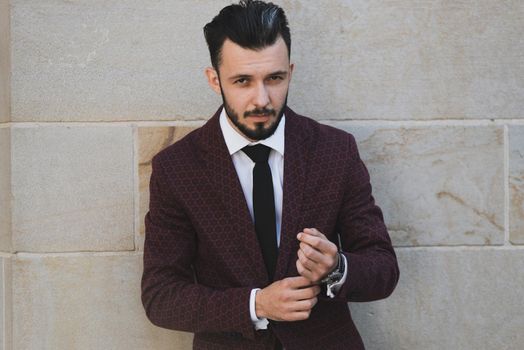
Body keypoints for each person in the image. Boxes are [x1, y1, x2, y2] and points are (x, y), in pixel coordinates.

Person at [141, 1, 399, 349]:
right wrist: (256, 304)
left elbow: (383, 269)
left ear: (290, 72)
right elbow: (161, 296)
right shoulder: (178, 168)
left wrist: (336, 268)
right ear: (214, 80)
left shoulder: (336, 151)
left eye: (274, 78)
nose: (261, 99)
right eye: (243, 81)